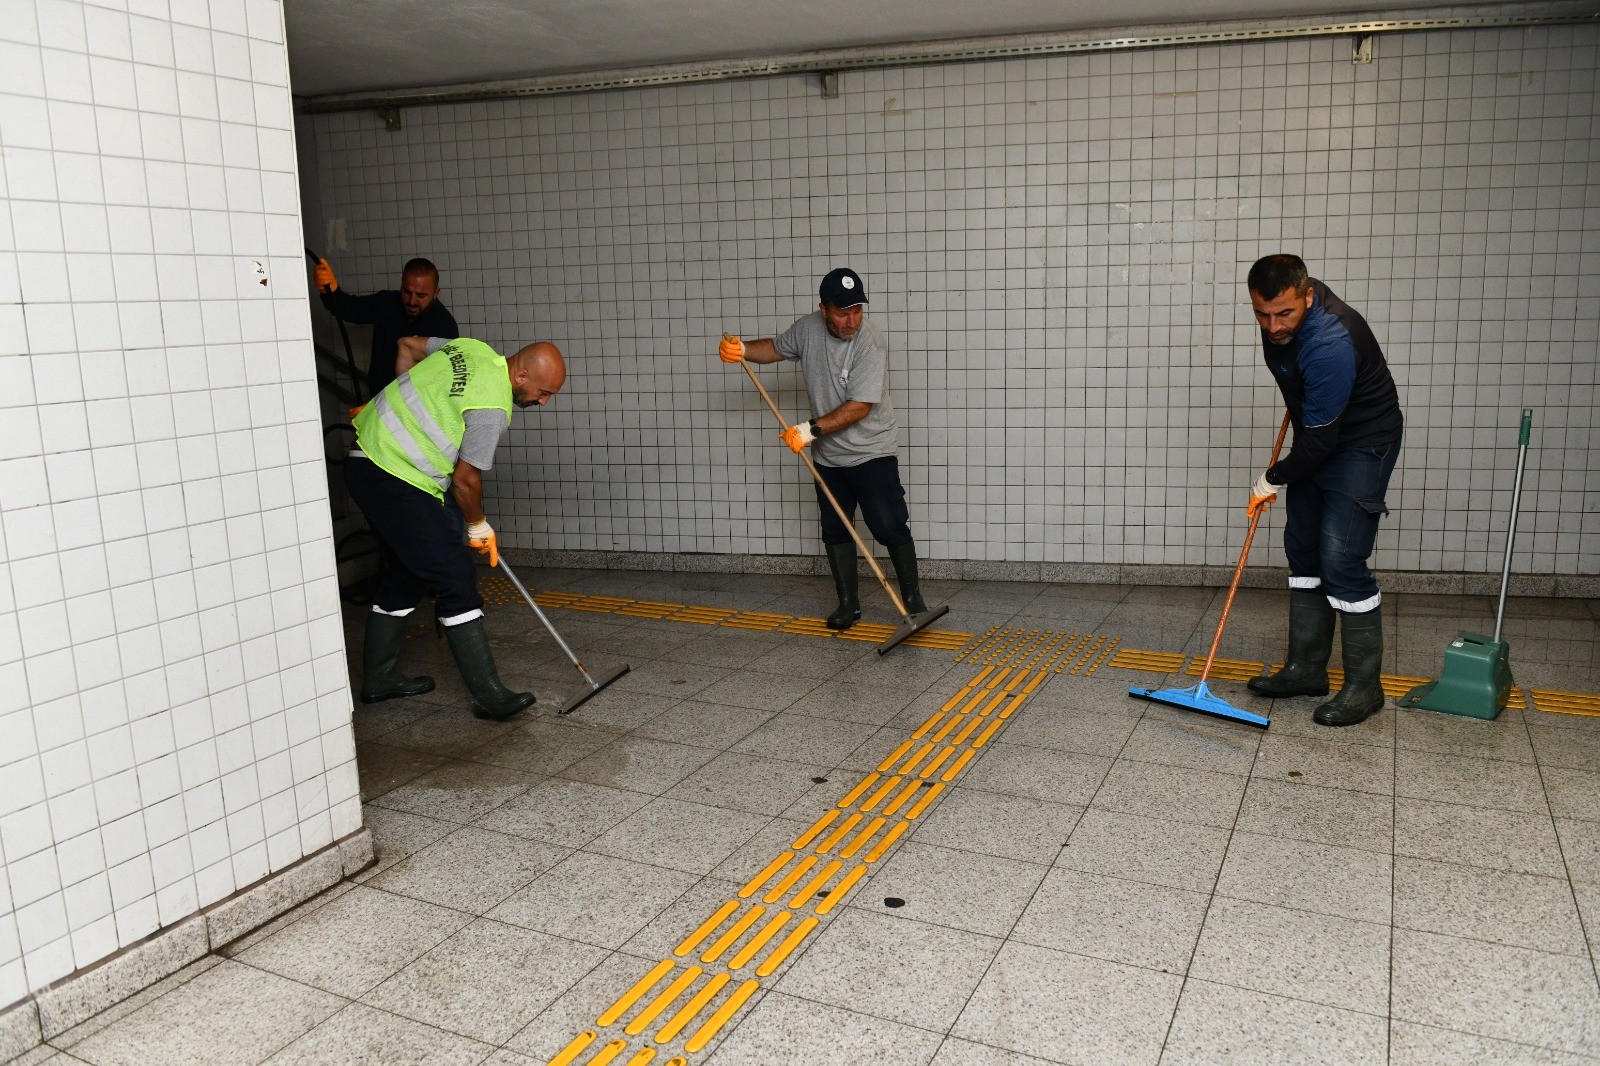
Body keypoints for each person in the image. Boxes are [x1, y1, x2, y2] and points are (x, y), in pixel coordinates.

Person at [344, 335, 566, 720]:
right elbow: (466, 480)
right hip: (393, 474)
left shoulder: (472, 348)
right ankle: (489, 696)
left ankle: (379, 678)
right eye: (543, 392)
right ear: (521, 375)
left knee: (409, 570)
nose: (543, 402)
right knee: (454, 573)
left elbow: (408, 345)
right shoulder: (491, 408)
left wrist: (402, 409)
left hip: (370, 460)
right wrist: (477, 526)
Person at [719, 268, 928, 630]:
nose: (851, 321)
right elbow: (777, 347)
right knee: (835, 528)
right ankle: (848, 604)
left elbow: (860, 406)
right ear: (823, 308)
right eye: (842, 312)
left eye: (858, 311)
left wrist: (809, 429)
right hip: (829, 457)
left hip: (872, 449)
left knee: (888, 523)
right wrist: (744, 350)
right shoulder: (807, 329)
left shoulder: (870, 342)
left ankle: (912, 597)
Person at [1244, 254, 1403, 727]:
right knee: (1304, 550)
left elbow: (1319, 441)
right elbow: (1308, 409)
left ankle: (1364, 688)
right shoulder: (1282, 319)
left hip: (1361, 444)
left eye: (1284, 314)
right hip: (1320, 434)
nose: (1272, 326)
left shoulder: (1331, 341)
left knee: (1341, 559)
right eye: (1261, 314)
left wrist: (1271, 478)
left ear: (1307, 296)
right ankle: (1307, 670)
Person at [315, 256, 460, 395]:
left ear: (435, 293)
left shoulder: (445, 327)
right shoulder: (386, 303)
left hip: (417, 411)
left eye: (421, 295)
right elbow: (350, 309)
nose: (412, 301)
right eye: (407, 292)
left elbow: (443, 381)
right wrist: (330, 291)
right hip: (378, 399)